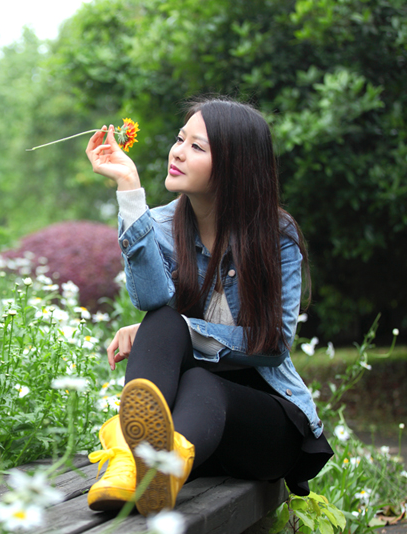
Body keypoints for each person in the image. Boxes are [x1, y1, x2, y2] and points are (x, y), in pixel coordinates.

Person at [83, 97, 333, 517]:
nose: (177, 151)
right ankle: (137, 463)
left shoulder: (276, 235)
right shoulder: (161, 225)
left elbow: (271, 344)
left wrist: (186, 330)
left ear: (236, 165)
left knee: (198, 374)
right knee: (161, 321)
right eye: (180, 140)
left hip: (264, 428)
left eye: (197, 147)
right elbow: (149, 299)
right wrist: (129, 191)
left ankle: (150, 465)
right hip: (195, 432)